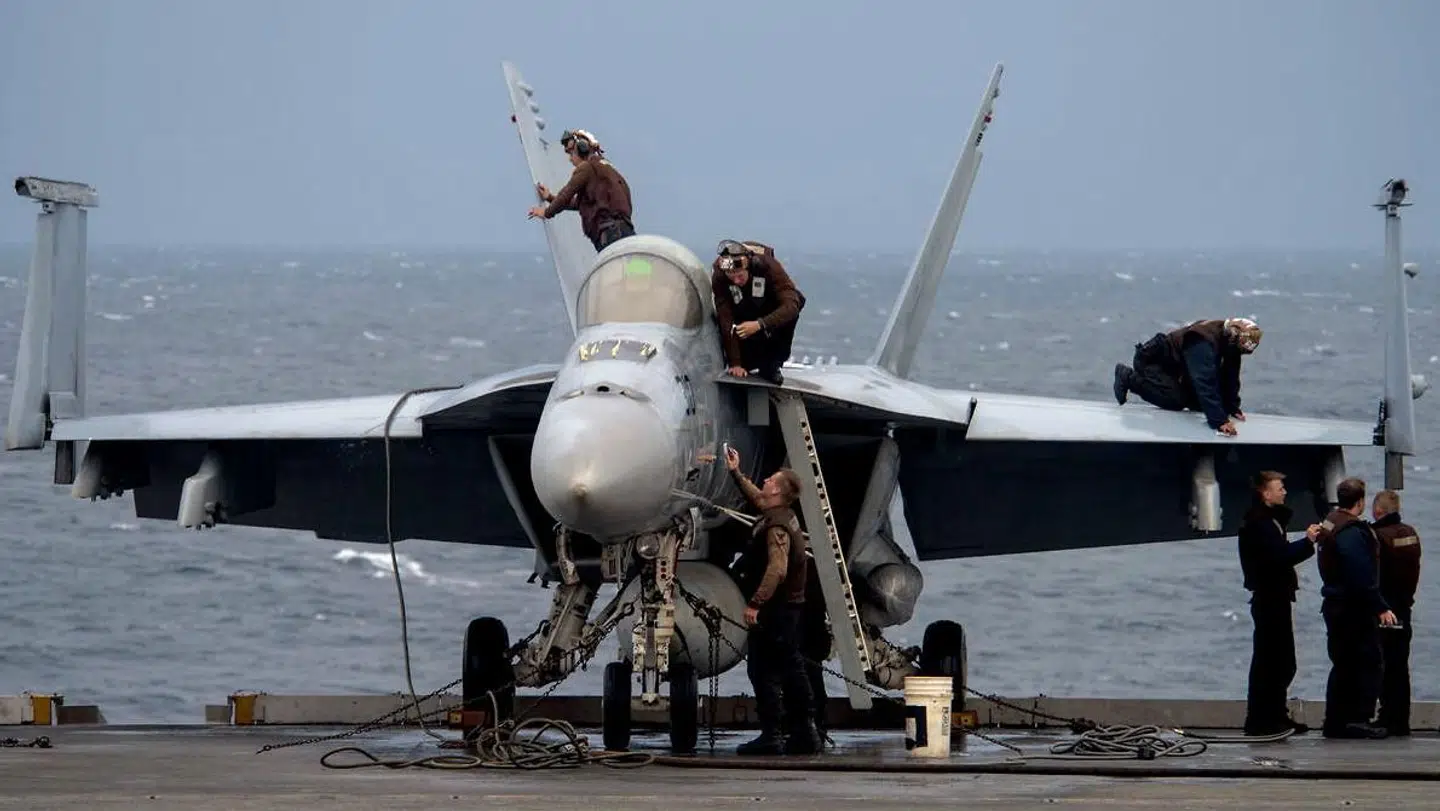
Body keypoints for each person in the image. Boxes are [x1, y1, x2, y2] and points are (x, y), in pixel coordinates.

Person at [723, 444, 820, 755]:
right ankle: (804, 732)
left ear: (777, 491)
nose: (765, 481)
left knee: (764, 670)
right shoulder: (781, 514)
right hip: (786, 609)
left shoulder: (776, 526)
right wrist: (736, 472)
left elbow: (777, 569)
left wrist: (756, 603)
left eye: (770, 480)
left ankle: (773, 736)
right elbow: (757, 497)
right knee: (790, 666)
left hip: (776, 610)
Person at [1237, 470, 1320, 736]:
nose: (1284, 492)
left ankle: (1274, 714)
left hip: (1275, 597)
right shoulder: (1260, 524)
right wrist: (1307, 541)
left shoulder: (1269, 521)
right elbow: (1279, 557)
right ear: (1266, 493)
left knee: (1278, 661)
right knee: (1273, 661)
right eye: (1279, 487)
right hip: (1269, 598)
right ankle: (1263, 718)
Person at [1314, 477, 1397, 739]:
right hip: (1352, 608)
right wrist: (1379, 606)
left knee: (1342, 664)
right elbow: (1360, 573)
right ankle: (1357, 719)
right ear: (1360, 502)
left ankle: (1335, 720)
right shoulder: (1351, 531)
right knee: (1366, 662)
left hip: (1334, 602)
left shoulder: (1331, 521)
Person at [1112, 317, 1263, 436]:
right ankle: (1128, 377)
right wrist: (1219, 421)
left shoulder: (1229, 343)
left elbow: (1231, 375)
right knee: (1176, 400)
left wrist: (1232, 407)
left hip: (1177, 369)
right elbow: (1204, 381)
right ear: (1233, 336)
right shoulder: (1202, 341)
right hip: (1152, 362)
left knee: (1200, 405)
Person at [711, 239, 806, 385]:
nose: (736, 281)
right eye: (731, 276)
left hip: (769, 310)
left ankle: (773, 364)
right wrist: (735, 363)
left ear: (749, 268)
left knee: (793, 307)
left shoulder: (769, 267)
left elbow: (792, 305)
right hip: (743, 312)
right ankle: (746, 359)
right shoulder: (720, 275)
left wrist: (760, 324)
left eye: (740, 275)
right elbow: (725, 317)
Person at [527, 129, 635, 252]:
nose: (570, 159)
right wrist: (550, 197)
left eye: (571, 153)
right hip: (627, 234)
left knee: (614, 263)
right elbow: (579, 203)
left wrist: (546, 212)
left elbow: (566, 194)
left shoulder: (587, 168)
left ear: (582, 149)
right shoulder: (607, 169)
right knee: (632, 263)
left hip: (610, 235)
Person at [1370, 489, 1421, 736]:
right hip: (1404, 606)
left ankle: (1387, 717)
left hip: (1384, 608)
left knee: (1385, 666)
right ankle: (1401, 719)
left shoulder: (1376, 536)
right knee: (1400, 666)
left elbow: (1375, 573)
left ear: (1377, 511)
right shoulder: (1410, 533)